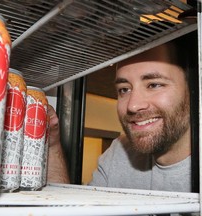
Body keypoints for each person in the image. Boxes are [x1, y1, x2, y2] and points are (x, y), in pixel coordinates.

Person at [46, 30, 198, 192]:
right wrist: (52, 145)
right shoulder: (120, 152)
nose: (133, 105)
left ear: (194, 90)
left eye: (154, 85)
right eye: (124, 89)